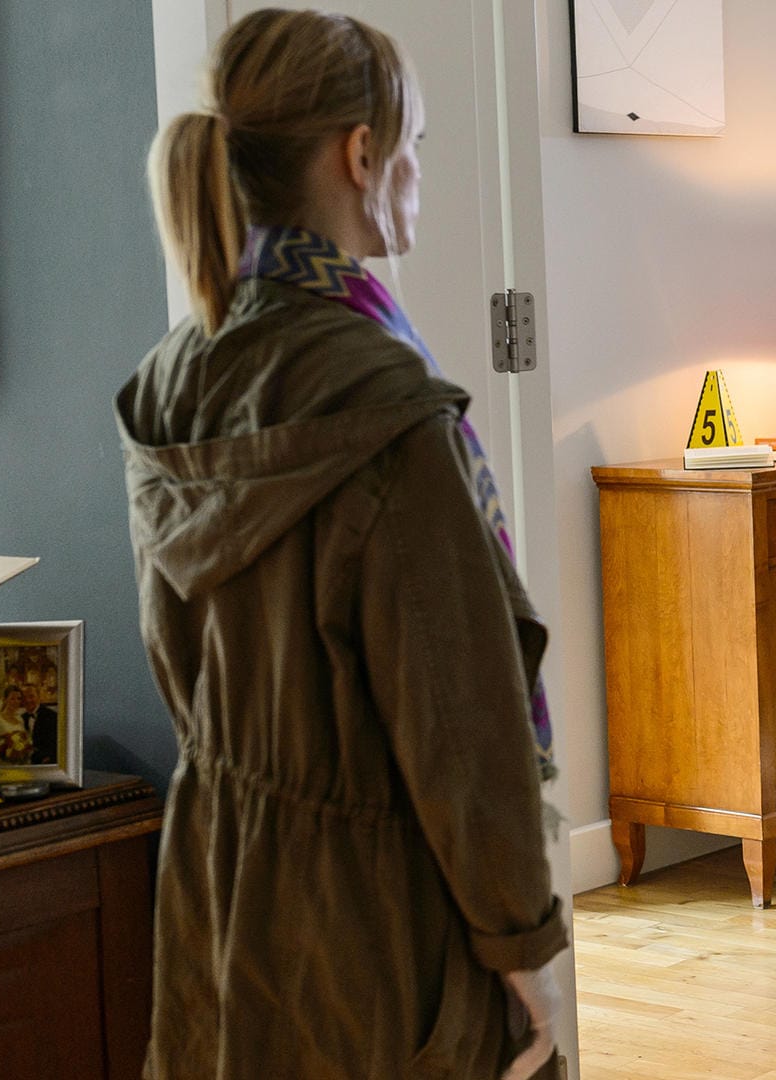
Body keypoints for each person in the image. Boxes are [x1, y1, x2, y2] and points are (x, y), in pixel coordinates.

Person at [118, 11, 564, 1078]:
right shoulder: (385, 401)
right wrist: (523, 943)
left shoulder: (178, 373)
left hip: (216, 888)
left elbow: (174, 654)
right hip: (375, 912)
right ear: (359, 155)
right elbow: (458, 718)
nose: (416, 168)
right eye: (409, 143)